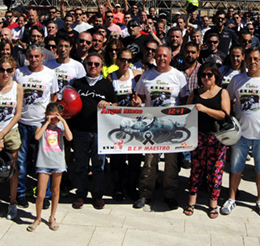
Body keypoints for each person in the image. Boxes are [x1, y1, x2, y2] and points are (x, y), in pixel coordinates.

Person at [221, 49, 260, 217]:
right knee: (235, 169)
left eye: (256, 59)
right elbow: (228, 101)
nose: (252, 62)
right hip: (241, 135)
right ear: (245, 61)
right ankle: (232, 197)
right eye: (249, 59)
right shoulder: (237, 79)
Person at [133, 46, 189, 210]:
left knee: (171, 163)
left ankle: (170, 194)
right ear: (154, 57)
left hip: (172, 127)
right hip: (152, 126)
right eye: (158, 55)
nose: (161, 58)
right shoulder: (147, 75)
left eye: (165, 55)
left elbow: (185, 102)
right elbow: (140, 97)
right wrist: (137, 102)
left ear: (170, 58)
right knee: (150, 161)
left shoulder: (179, 76)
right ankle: (145, 194)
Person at [70, 52, 117, 210]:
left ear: (101, 66)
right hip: (80, 131)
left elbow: (116, 106)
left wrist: (108, 103)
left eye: (96, 64)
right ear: (85, 65)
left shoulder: (107, 84)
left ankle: (97, 195)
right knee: (81, 165)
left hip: (99, 132)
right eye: (90, 64)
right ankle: (81, 193)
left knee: (99, 166)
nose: (93, 67)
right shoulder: (77, 84)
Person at [13, 45, 59, 208]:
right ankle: (20, 193)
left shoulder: (50, 74)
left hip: (42, 123)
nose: (33, 59)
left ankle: (44, 195)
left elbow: (53, 97)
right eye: (30, 56)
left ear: (42, 57)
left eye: (36, 56)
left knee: (43, 162)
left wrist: (52, 121)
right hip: (22, 123)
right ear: (27, 57)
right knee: (21, 161)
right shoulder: (19, 73)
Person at [183, 63, 229, 218]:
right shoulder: (195, 92)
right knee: (196, 170)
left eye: (210, 75)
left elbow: (225, 115)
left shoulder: (223, 92)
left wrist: (205, 109)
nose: (206, 78)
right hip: (198, 137)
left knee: (215, 171)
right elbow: (187, 112)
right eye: (203, 75)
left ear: (216, 76)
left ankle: (213, 203)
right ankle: (191, 201)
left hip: (217, 138)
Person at [0, 56, 23, 220]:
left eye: (9, 70)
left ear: (13, 70)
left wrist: (4, 133)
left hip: (11, 132)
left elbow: (18, 114)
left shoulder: (18, 88)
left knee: (12, 169)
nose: (5, 73)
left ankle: (12, 202)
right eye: (2, 70)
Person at [27, 102, 73, 232]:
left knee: (55, 190)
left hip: (57, 162)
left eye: (55, 118)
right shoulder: (41, 125)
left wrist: (63, 121)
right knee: (40, 194)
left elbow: (69, 138)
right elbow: (37, 137)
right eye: (51, 117)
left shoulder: (61, 126)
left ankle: (52, 216)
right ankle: (38, 217)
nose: (54, 121)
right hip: (43, 163)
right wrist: (47, 123)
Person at [108, 48, 142, 200]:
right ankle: (118, 186)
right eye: (122, 59)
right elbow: (108, 98)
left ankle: (131, 185)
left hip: (135, 123)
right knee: (117, 158)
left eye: (128, 60)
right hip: (117, 123)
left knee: (135, 157)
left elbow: (142, 96)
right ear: (117, 60)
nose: (125, 63)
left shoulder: (136, 75)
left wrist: (138, 102)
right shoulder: (111, 77)